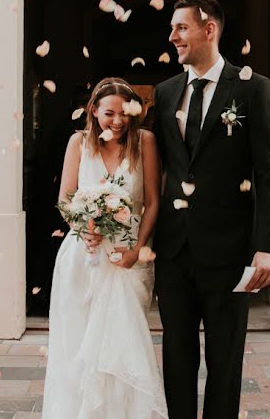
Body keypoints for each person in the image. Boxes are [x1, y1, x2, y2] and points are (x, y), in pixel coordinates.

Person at [149, 0, 270, 418]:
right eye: (172, 28)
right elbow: (157, 168)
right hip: (174, 249)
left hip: (230, 250)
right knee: (176, 355)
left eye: (181, 27)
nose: (172, 36)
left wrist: (266, 246)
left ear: (210, 29)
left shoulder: (252, 87)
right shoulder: (166, 91)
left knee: (225, 359)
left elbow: (268, 173)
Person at [43, 78, 166, 418]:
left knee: (124, 349)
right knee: (78, 349)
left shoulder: (145, 142)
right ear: (93, 111)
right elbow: (66, 199)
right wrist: (83, 229)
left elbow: (153, 202)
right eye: (109, 113)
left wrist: (137, 249)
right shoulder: (79, 144)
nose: (117, 121)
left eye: (124, 113)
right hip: (83, 260)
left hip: (127, 259)